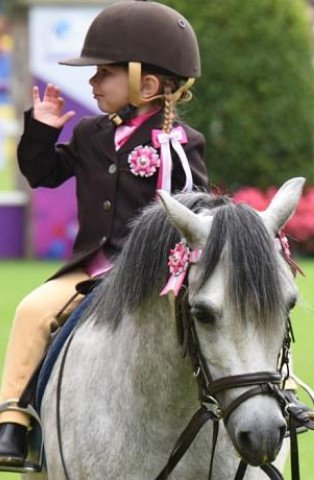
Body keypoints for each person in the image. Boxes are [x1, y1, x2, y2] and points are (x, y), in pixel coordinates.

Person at [0, 0, 208, 467]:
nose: (92, 82)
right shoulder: (90, 133)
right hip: (91, 271)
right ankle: (14, 420)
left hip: (157, 275)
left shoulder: (182, 143)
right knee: (33, 310)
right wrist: (41, 131)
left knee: (224, 314)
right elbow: (43, 174)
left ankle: (277, 390)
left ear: (146, 83)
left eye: (103, 73)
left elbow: (195, 207)